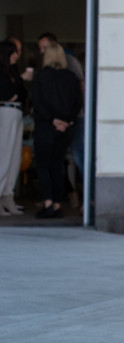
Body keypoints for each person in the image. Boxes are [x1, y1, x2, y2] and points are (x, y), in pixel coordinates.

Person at [32, 41, 82, 219]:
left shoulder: (40, 77)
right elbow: (78, 103)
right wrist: (66, 121)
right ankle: (58, 204)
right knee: (58, 164)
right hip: (65, 129)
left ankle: (48, 203)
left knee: (44, 165)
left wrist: (53, 120)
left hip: (46, 126)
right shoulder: (71, 78)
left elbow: (38, 103)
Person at [37, 33, 85, 179]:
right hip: (64, 119)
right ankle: (68, 195)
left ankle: (90, 195)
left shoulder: (70, 62)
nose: (41, 52)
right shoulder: (45, 71)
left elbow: (81, 87)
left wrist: (71, 117)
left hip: (74, 118)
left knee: (77, 154)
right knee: (59, 158)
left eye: (44, 48)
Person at [0, 40, 27, 216]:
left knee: (14, 157)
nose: (17, 55)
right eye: (15, 52)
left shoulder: (13, 71)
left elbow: (22, 93)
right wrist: (16, 90)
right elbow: (6, 94)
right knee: (4, 154)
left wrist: (16, 91)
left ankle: (8, 196)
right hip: (5, 112)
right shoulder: (2, 72)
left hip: (16, 112)